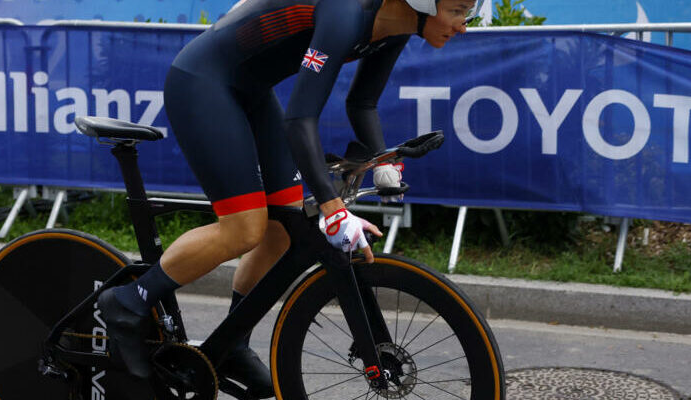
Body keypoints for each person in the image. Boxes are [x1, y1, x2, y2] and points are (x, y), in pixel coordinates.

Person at [98, 0, 482, 397]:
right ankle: (128, 301)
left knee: (282, 231)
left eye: (468, 11)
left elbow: (362, 103)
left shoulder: (399, 26)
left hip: (250, 91)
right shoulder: (347, 12)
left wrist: (380, 159)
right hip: (202, 82)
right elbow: (300, 119)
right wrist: (333, 210)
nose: (463, 25)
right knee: (244, 229)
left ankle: (233, 346)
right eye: (457, 10)